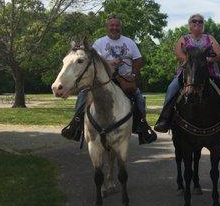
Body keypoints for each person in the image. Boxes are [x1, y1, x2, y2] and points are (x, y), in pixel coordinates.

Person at [61, 16, 157, 144]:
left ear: (120, 27)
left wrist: (133, 75)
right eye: (112, 25)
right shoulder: (99, 43)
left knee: (138, 97)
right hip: (103, 79)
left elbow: (137, 60)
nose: (114, 28)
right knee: (83, 95)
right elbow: (93, 62)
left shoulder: (129, 42)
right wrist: (110, 63)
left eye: (117, 26)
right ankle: (76, 125)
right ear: (107, 27)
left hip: (124, 80)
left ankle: (143, 128)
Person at [154, 13, 220, 133]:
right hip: (188, 73)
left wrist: (208, 60)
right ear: (189, 25)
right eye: (194, 21)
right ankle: (164, 120)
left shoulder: (210, 38)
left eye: (200, 22)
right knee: (172, 88)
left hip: (210, 72)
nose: (197, 23)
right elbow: (178, 53)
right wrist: (192, 61)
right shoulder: (184, 39)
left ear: (203, 25)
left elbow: (218, 53)